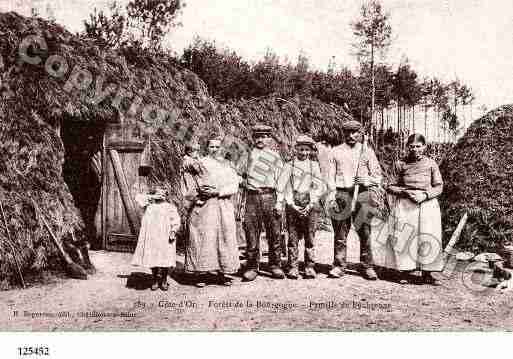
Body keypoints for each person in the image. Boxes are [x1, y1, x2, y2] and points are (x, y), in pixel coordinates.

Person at [385, 133, 444, 285]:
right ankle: (404, 270)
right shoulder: (400, 164)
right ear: (407, 147)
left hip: (427, 204)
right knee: (405, 235)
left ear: (424, 147)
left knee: (427, 235)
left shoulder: (431, 164)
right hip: (405, 204)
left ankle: (428, 272)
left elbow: (439, 186)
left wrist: (425, 195)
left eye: (418, 146)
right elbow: (390, 186)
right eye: (412, 146)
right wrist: (404, 192)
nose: (415, 150)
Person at [327, 120, 382, 280]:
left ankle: (367, 266)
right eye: (348, 133)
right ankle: (339, 265)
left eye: (354, 132)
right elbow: (330, 177)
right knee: (340, 232)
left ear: (360, 134)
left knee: (365, 232)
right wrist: (332, 196)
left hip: (363, 195)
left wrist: (365, 180)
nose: (351, 136)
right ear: (343, 134)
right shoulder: (335, 152)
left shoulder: (367, 151)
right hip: (342, 194)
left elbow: (378, 177)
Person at [185, 137, 241, 287]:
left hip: (223, 204)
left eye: (217, 147)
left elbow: (234, 185)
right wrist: (200, 194)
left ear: (222, 148)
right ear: (206, 148)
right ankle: (202, 273)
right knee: (205, 236)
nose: (214, 149)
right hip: (206, 205)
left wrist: (219, 191)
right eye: (211, 147)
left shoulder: (227, 165)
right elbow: (190, 183)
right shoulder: (200, 163)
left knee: (224, 236)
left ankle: (224, 272)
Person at [241, 125, 285, 281]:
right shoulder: (247, 155)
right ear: (253, 138)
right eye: (257, 136)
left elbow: (282, 181)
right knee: (251, 232)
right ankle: (252, 266)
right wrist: (243, 182)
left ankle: (275, 265)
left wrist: (279, 202)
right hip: (252, 197)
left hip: (269, 196)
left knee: (274, 232)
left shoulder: (275, 157)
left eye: (264, 136)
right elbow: (239, 174)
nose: (260, 139)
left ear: (269, 138)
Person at [279, 135, 324, 279]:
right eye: (301, 149)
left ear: (310, 151)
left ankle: (310, 267)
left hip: (310, 203)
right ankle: (293, 266)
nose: (303, 152)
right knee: (292, 238)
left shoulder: (314, 166)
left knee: (310, 237)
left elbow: (318, 187)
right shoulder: (289, 165)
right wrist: (291, 203)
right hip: (293, 203)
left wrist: (311, 204)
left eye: (306, 150)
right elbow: (282, 186)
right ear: (296, 149)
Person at [131, 187, 180, 291]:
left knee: (165, 257)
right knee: (153, 257)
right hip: (152, 236)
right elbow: (138, 199)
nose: (160, 195)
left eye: (162, 193)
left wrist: (173, 231)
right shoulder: (150, 206)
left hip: (165, 236)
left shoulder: (170, 207)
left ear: (166, 195)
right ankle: (154, 280)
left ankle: (164, 279)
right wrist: (152, 196)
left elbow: (175, 220)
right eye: (158, 193)